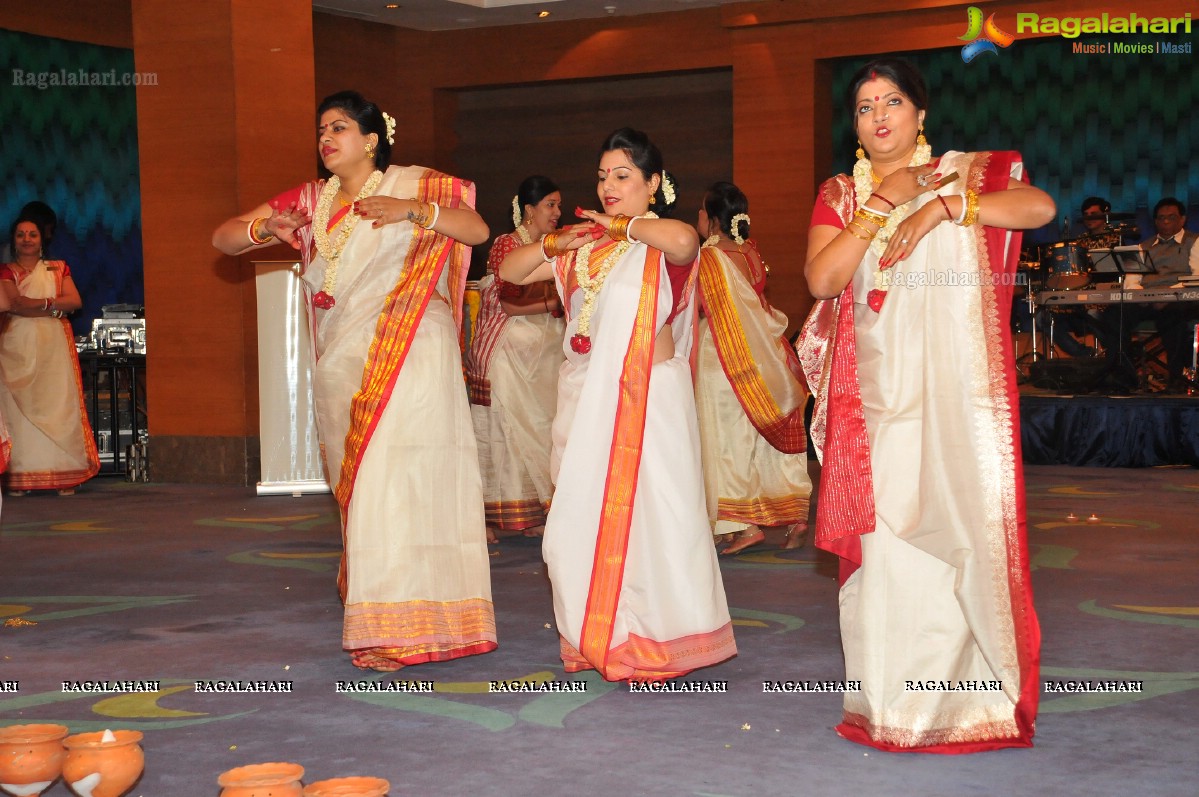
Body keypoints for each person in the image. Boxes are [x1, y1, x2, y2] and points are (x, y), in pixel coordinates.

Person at [799, 58, 1052, 751]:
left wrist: (943, 203)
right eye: (863, 106)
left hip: (951, 399)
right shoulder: (840, 194)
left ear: (920, 113)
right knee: (886, 549)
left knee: (956, 534)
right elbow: (821, 278)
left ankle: (961, 702)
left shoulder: (962, 173)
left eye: (892, 101)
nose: (878, 115)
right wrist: (885, 201)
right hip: (873, 400)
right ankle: (890, 703)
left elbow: (1037, 208)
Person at [212, 90, 497, 671]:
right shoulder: (312, 199)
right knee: (369, 483)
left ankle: (416, 622)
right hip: (345, 355)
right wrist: (271, 226)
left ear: (371, 139)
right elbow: (223, 237)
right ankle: (389, 614)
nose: (327, 138)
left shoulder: (415, 183)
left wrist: (412, 212)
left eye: (339, 127)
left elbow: (476, 229)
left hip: (413, 346)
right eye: (322, 129)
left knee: (405, 476)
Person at [499, 127, 736, 682]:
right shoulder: (584, 250)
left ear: (654, 183)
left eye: (623, 176)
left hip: (649, 398)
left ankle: (658, 637)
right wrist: (560, 243)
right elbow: (509, 274)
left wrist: (623, 228)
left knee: (656, 520)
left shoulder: (662, 244)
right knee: (575, 519)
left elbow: (683, 241)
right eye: (603, 176)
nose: (608, 186)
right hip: (584, 396)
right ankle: (596, 631)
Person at [693, 182, 811, 555]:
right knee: (765, 443)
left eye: (701, 212)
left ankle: (741, 525)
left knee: (726, 441)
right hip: (767, 356)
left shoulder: (710, 258)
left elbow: (699, 309)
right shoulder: (751, 251)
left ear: (712, 220)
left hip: (724, 357)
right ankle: (795, 517)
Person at [466, 176, 565, 542]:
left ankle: (533, 511)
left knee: (540, 429)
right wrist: (554, 304)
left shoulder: (555, 246)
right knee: (502, 431)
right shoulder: (506, 245)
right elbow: (507, 302)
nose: (557, 212)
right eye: (550, 205)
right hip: (506, 350)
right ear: (529, 210)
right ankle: (488, 517)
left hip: (542, 354)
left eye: (558, 205)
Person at [0, 207, 100, 496]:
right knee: (18, 407)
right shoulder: (6, 271)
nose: (27, 239)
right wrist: (53, 305)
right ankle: (21, 477)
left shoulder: (57, 268)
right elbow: (13, 303)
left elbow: (75, 301)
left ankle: (62, 475)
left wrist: (39, 305)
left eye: (32, 234)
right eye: (21, 235)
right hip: (15, 344)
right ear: (14, 240)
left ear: (42, 240)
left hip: (54, 345)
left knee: (57, 403)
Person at [1104, 198, 1199, 391]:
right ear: (1155, 221)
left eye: (1171, 218)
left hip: (1180, 299)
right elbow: (1131, 282)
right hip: (1147, 300)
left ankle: (1176, 379)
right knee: (1114, 315)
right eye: (1161, 218)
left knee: (1173, 317)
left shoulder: (1194, 242)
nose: (1165, 222)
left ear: (1182, 220)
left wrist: (1167, 295)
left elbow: (1197, 278)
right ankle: (1125, 377)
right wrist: (1147, 297)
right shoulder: (1142, 247)